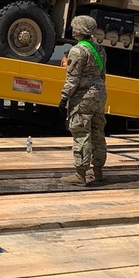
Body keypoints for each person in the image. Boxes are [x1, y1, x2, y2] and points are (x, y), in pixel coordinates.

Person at [58, 15, 108, 185]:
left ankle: (80, 174)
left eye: (75, 27)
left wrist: (64, 98)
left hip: (83, 97)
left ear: (80, 30)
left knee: (81, 132)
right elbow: (102, 75)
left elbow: (72, 79)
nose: (73, 29)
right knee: (97, 131)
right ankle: (98, 171)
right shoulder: (99, 50)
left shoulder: (77, 51)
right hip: (99, 95)